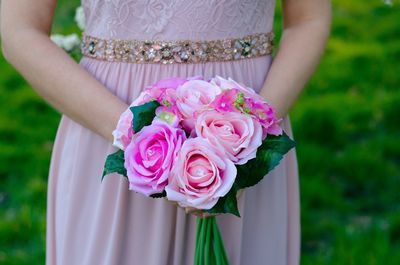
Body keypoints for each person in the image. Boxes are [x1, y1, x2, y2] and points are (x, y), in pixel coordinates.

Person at [0, 0, 331, 264]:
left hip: (244, 138)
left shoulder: (248, 137)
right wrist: (138, 134)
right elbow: (20, 29)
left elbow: (308, 19)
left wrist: (250, 132)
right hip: (109, 131)